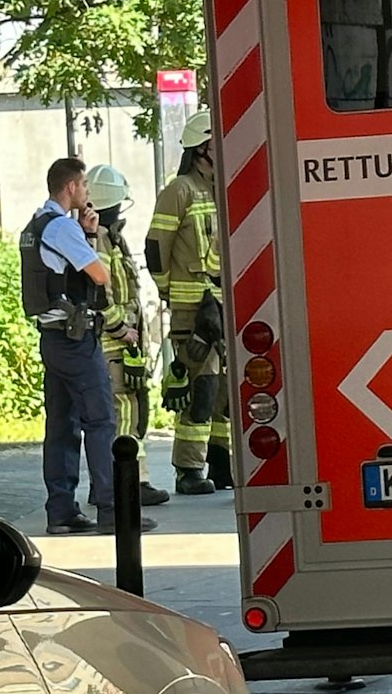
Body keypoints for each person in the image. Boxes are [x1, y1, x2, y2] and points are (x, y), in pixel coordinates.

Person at [21, 158, 156, 536]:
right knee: (101, 421)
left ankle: (61, 511)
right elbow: (99, 274)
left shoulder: (36, 225)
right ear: (70, 188)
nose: (87, 193)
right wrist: (88, 240)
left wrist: (88, 235)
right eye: (83, 187)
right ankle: (110, 508)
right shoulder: (62, 227)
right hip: (77, 340)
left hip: (53, 338)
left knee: (62, 426)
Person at [148, 110, 230, 496]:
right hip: (191, 308)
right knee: (201, 386)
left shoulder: (220, 188)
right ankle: (188, 468)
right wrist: (168, 288)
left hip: (220, 303)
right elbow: (155, 248)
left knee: (223, 390)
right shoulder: (178, 190)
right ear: (201, 149)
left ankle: (221, 461)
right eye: (216, 143)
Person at [87, 164, 170, 508]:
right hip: (114, 343)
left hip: (126, 343)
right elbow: (99, 292)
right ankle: (125, 483)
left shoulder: (110, 238)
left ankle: (125, 481)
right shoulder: (101, 241)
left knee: (133, 409)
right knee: (122, 410)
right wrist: (120, 327)